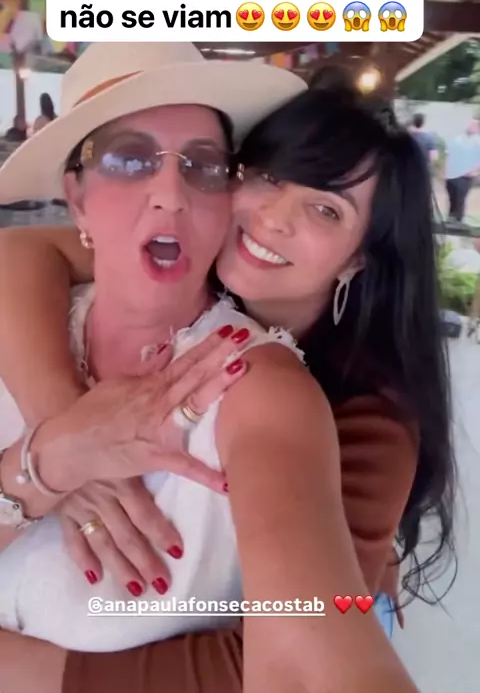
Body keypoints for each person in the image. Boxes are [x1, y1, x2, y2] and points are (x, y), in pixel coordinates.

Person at [0, 48, 454, 692]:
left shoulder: (365, 413)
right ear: (77, 196)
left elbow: (293, 644)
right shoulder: (174, 266)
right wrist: (61, 438)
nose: (273, 218)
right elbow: (19, 251)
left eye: (327, 210)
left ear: (359, 259)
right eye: (267, 177)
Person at [445, 119, 480, 222]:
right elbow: (449, 154)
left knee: (460, 199)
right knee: (452, 198)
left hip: (465, 175)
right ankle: (451, 219)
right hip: (452, 174)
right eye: (469, 124)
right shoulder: (458, 139)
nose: (469, 127)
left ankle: (458, 220)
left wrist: (474, 170)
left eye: (473, 125)